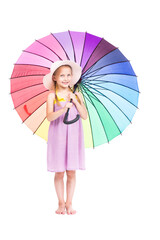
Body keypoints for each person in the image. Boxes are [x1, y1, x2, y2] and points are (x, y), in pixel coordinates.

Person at [43, 60, 88, 215]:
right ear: (54, 77)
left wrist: (75, 100)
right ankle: (60, 202)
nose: (66, 78)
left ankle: (69, 203)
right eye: (62, 75)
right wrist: (63, 109)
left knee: (71, 172)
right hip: (58, 137)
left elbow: (84, 116)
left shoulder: (76, 95)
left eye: (68, 75)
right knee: (59, 172)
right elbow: (49, 117)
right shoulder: (51, 96)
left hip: (74, 137)